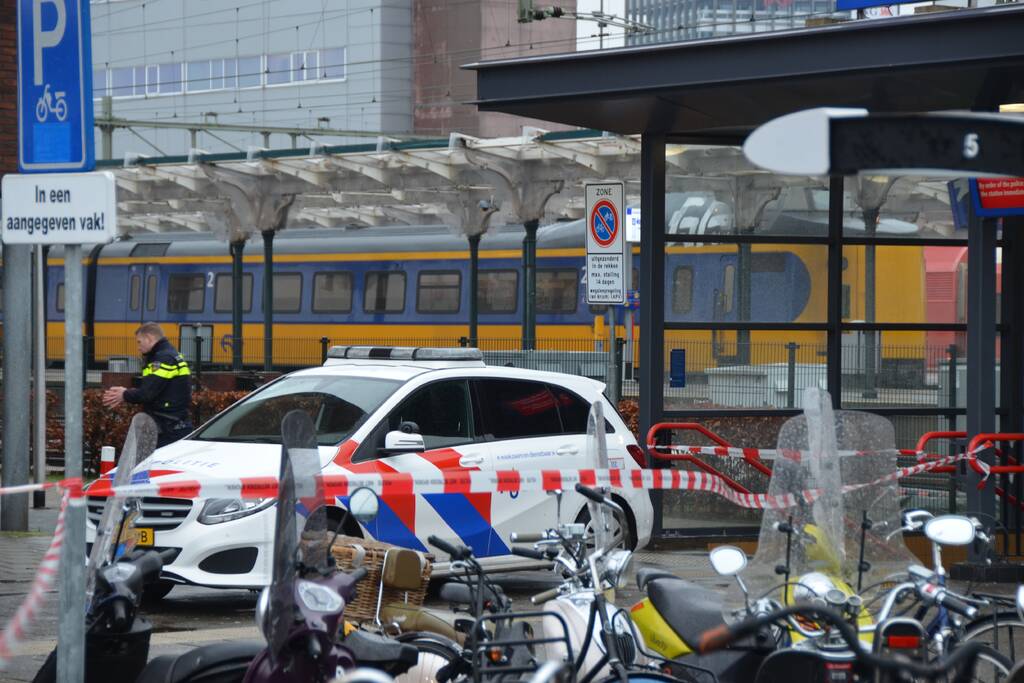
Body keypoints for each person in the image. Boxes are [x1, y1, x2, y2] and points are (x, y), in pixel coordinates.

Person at [102, 322, 194, 447]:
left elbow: (147, 393)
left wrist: (124, 394)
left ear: (150, 338)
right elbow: (156, 389)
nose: (138, 347)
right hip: (175, 424)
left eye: (139, 342)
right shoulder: (171, 355)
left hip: (167, 427)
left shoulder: (162, 359)